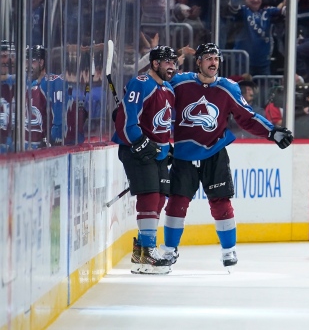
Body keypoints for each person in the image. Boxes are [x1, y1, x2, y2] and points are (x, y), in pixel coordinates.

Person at [161, 43, 293, 272]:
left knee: (221, 202)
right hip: (183, 154)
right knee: (176, 203)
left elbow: (247, 117)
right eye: (208, 58)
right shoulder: (179, 82)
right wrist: (161, 143)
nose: (213, 62)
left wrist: (271, 131)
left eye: (216, 58)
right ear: (199, 62)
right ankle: (169, 250)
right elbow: (157, 101)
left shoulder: (228, 88)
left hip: (215, 153)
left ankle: (228, 250)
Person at [112, 45, 178, 275]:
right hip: (135, 149)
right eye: (167, 62)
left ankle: (141, 252)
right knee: (149, 196)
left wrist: (166, 147)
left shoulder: (168, 89)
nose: (172, 66)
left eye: (174, 62)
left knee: (160, 198)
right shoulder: (140, 83)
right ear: (155, 63)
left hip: (156, 152)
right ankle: (149, 250)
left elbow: (163, 124)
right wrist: (139, 143)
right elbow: (129, 120)